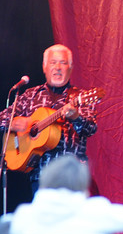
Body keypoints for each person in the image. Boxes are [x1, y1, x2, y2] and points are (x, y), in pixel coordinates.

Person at [0, 44, 97, 191]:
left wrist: (76, 116)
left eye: (63, 63)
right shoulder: (30, 95)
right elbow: (2, 118)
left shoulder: (80, 97)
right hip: (40, 176)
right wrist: (13, 123)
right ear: (44, 67)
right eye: (53, 62)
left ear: (70, 68)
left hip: (71, 176)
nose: (58, 67)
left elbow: (90, 128)